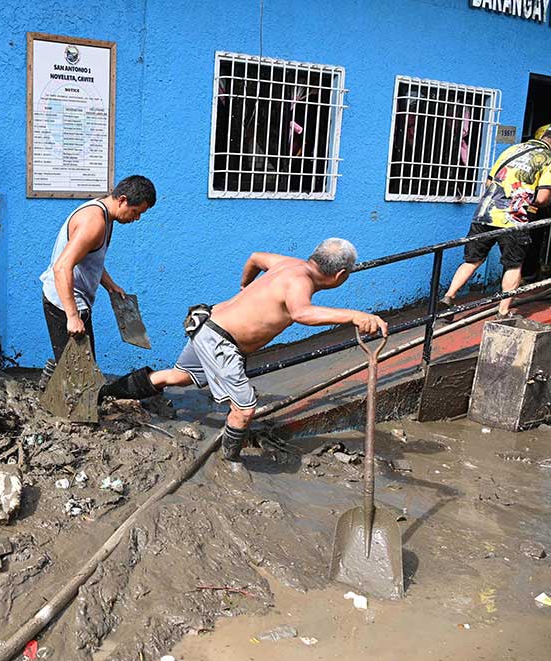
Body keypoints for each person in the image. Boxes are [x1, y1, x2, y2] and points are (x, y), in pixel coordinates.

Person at [100, 238, 388, 469]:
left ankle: (107, 393)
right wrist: (354, 315)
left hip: (207, 324)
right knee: (245, 408)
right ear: (340, 275)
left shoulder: (288, 264)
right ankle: (229, 462)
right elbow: (302, 313)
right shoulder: (301, 283)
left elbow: (254, 257)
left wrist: (244, 287)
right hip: (221, 341)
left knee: (180, 376)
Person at [38, 176, 157, 384]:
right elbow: (62, 267)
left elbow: (89, 258)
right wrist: (72, 316)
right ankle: (54, 385)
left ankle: (55, 373)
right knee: (80, 378)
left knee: (80, 368)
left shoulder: (105, 214)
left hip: (76, 301)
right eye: (136, 212)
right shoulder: (94, 222)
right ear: (122, 200)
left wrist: (110, 285)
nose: (137, 218)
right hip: (64, 303)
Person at [439, 124, 551, 318]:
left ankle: (449, 296)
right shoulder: (547, 159)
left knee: (473, 260)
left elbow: (489, 182)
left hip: (485, 213)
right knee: (513, 265)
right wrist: (529, 201)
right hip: (514, 218)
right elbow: (542, 198)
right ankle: (503, 312)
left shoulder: (512, 150)